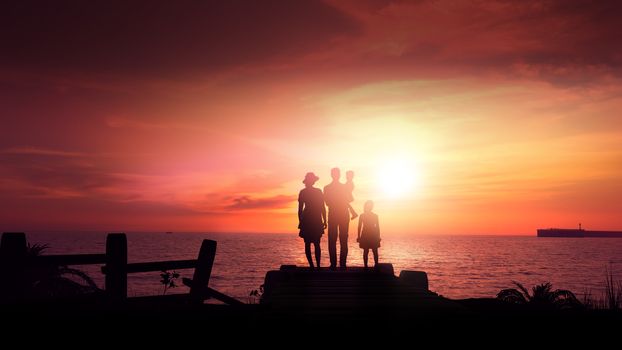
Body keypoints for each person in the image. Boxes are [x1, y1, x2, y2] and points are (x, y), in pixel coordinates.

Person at [323, 167, 351, 269]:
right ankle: (339, 264)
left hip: (337, 214)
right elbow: (328, 202)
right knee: (339, 240)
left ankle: (336, 264)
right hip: (339, 214)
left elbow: (327, 202)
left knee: (337, 240)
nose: (336, 175)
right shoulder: (332, 188)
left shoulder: (327, 188)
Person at [298, 172, 326, 268]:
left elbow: (300, 209)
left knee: (310, 243)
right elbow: (322, 207)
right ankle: (315, 266)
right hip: (313, 218)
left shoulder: (304, 192)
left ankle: (313, 266)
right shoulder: (317, 192)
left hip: (310, 218)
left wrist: (300, 221)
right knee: (315, 243)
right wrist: (325, 220)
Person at [357, 200, 380, 268]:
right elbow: (359, 226)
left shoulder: (363, 215)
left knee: (368, 250)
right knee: (372, 250)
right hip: (369, 234)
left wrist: (359, 236)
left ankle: (368, 266)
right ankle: (371, 265)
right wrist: (359, 236)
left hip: (369, 234)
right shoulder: (373, 216)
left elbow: (359, 227)